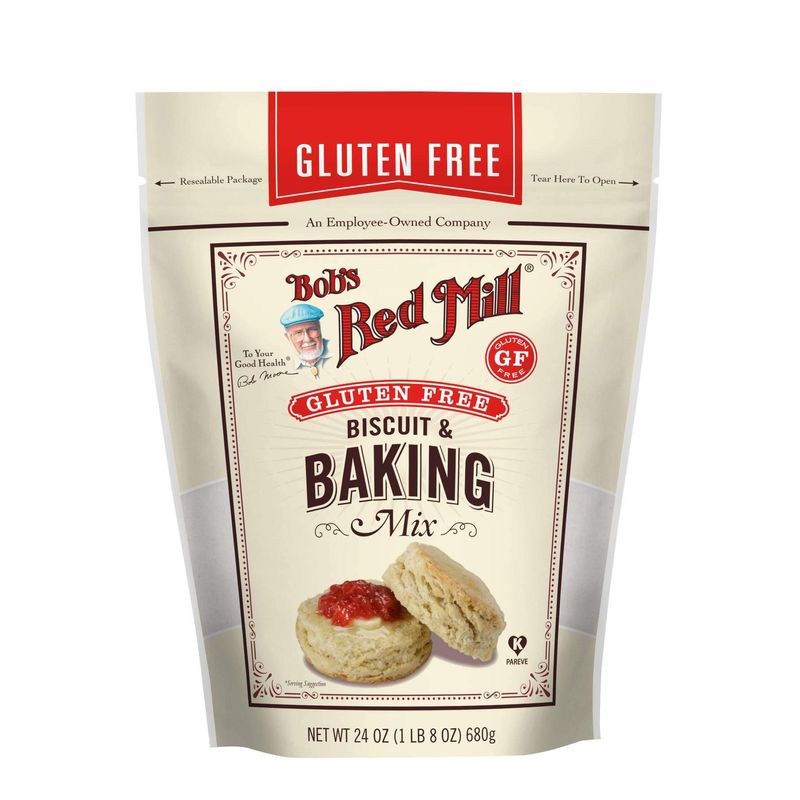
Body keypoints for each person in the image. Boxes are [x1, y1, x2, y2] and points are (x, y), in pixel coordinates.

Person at [280, 303, 331, 377]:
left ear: (320, 330)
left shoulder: (338, 351)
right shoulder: (284, 364)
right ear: (288, 338)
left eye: (312, 329)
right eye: (298, 333)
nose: (307, 339)